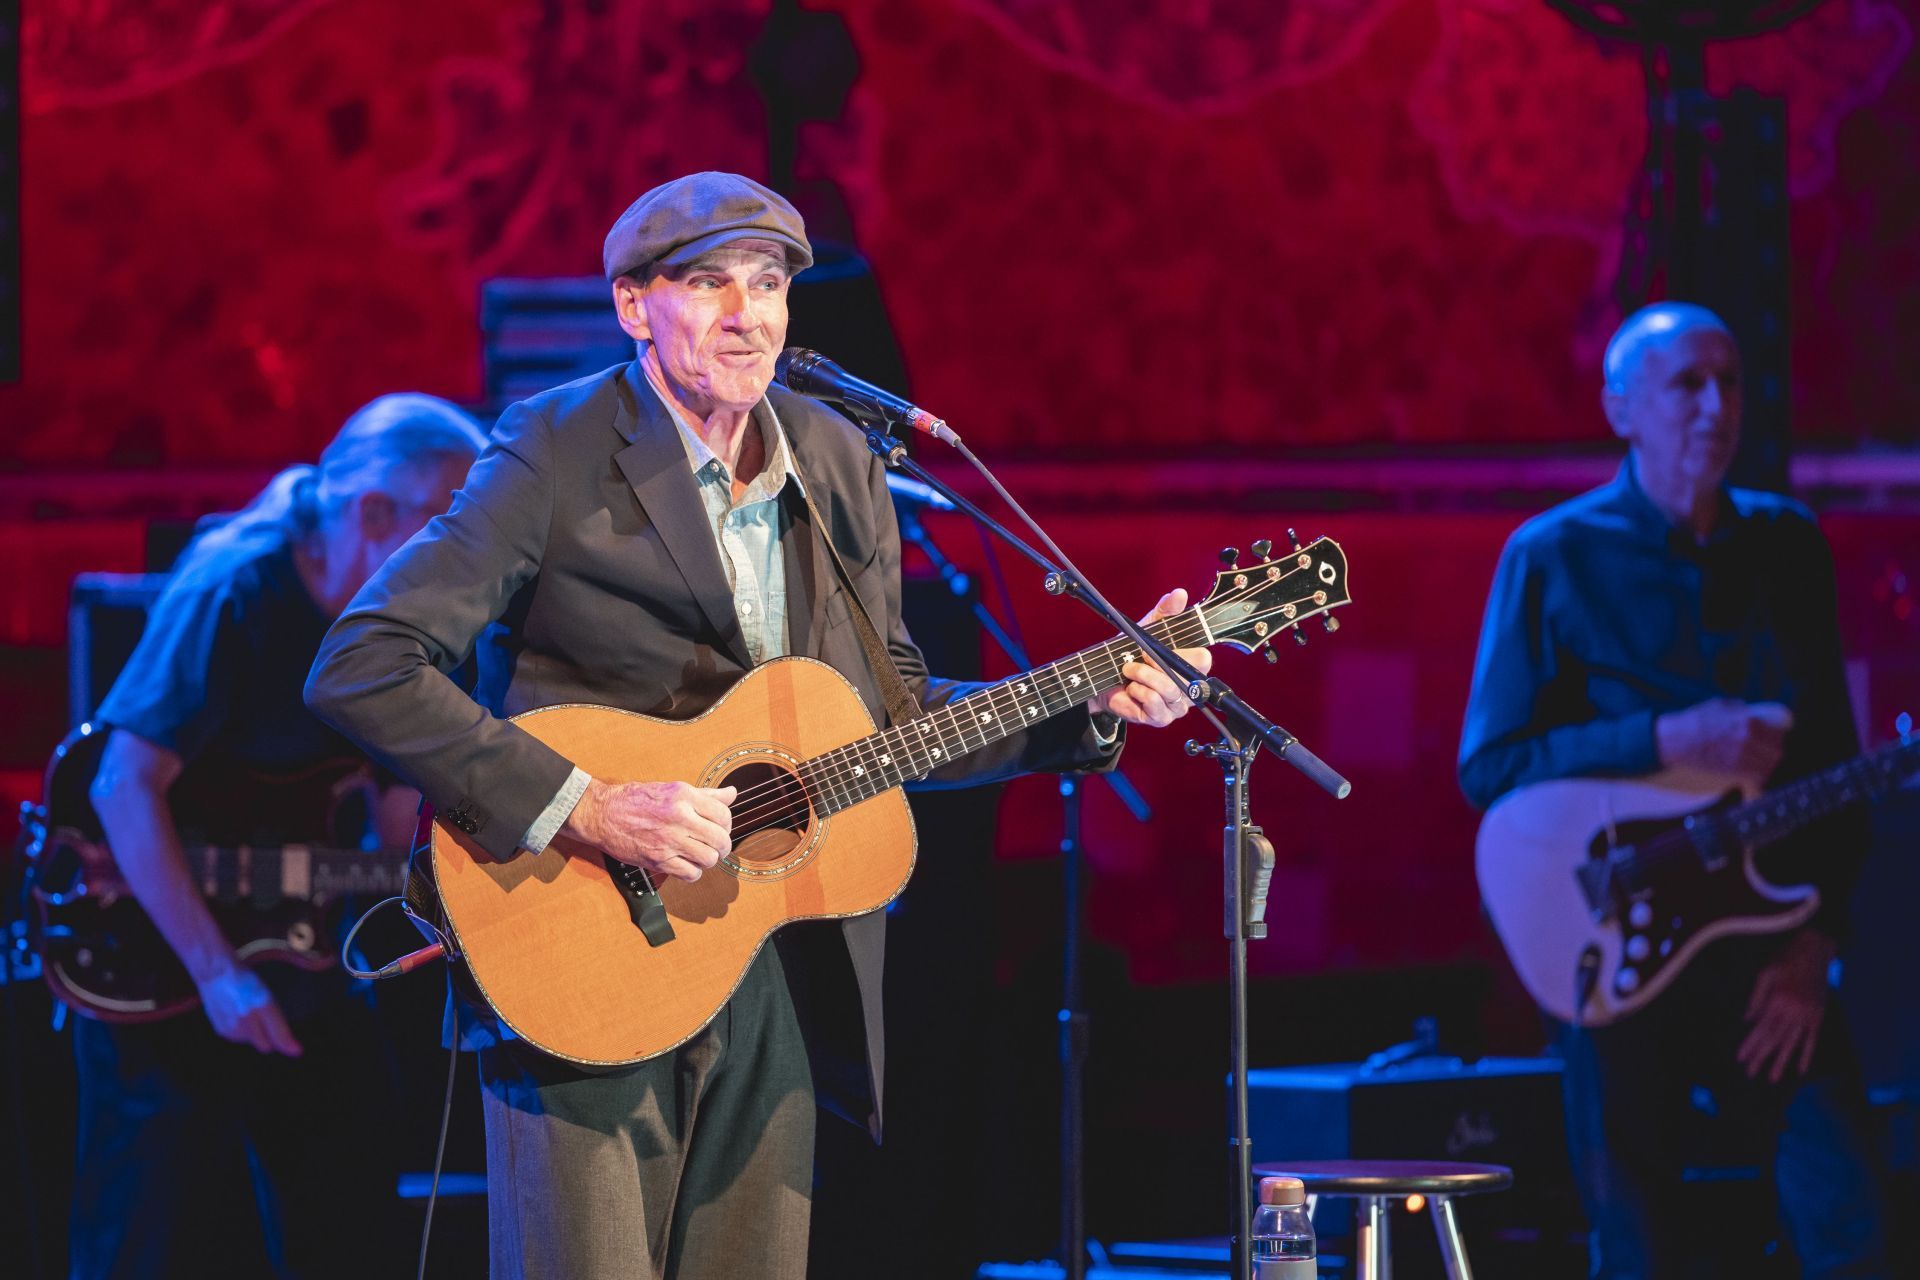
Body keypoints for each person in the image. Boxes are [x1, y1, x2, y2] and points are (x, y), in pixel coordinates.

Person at [303, 170, 1211, 1280]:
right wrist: (590, 804)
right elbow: (363, 662)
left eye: (771, 281)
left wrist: (1091, 703)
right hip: (579, 940)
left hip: (776, 956)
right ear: (636, 306)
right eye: (709, 282)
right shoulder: (555, 446)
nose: (749, 312)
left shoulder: (835, 459)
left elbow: (895, 720)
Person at [1458, 302, 1887, 1278]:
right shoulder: (1551, 554)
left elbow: (1835, 769)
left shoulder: (1786, 545)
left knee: (1853, 1217)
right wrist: (1661, 737)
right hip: (1614, 946)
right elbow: (1492, 766)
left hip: (1765, 943)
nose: (1713, 405)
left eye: (1730, 382)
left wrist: (1817, 942)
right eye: (1686, 382)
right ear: (1622, 407)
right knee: (1637, 1235)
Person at [75, 393, 489, 1279]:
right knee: (151, 1230)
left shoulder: (390, 624)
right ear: (376, 514)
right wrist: (218, 974)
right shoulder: (238, 586)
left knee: (351, 1196)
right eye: (450, 524)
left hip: (297, 953)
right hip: (164, 954)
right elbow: (121, 785)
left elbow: (382, 815)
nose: (467, 554)